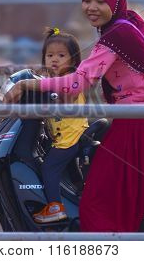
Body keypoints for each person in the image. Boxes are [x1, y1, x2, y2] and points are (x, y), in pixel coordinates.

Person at [4, 0, 144, 232]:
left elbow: (77, 84)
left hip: (139, 126)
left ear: (116, 1)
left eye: (101, 0)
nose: (92, 7)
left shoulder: (115, 36)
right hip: (143, 120)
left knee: (95, 203)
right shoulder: (127, 23)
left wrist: (30, 83)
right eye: (87, 0)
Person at [32, 27, 88, 224]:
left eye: (61, 55)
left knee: (49, 168)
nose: (54, 60)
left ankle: (55, 207)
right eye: (50, 55)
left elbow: (64, 95)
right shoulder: (51, 81)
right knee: (70, 171)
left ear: (73, 60)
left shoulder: (71, 81)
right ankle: (78, 198)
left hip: (69, 137)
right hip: (64, 135)